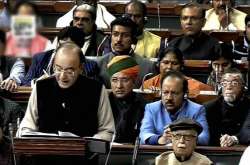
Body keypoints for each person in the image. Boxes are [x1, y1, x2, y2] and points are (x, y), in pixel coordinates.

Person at [17, 42, 115, 142]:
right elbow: (27, 128)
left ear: (81, 68)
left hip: (84, 155)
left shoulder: (96, 89)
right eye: (58, 69)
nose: (63, 76)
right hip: (45, 153)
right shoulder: (41, 87)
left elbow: (107, 131)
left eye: (69, 71)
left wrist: (87, 144)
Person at [139, 70, 209, 145]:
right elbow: (144, 135)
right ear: (160, 92)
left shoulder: (197, 110)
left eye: (174, 93)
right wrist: (160, 139)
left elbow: (204, 138)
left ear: (185, 94)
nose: (169, 98)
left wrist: (182, 135)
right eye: (165, 92)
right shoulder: (151, 108)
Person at [21, 26, 98, 86]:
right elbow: (25, 83)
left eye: (67, 47)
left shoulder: (90, 65)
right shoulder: (40, 58)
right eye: (60, 45)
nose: (61, 49)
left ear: (80, 47)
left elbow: (95, 88)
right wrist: (39, 82)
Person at [97, 16, 156, 88]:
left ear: (133, 39)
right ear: (110, 36)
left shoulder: (147, 66)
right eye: (115, 34)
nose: (119, 39)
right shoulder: (99, 64)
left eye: (125, 35)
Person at [205, 68, 250, 146]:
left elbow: (247, 131)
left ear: (243, 87)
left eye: (234, 83)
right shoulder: (209, 107)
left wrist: (234, 139)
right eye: (225, 83)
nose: (229, 87)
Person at [143, 47, 213, 96]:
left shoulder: (194, 85)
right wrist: (151, 95)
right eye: (165, 62)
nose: (169, 67)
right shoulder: (148, 84)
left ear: (181, 66)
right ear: (158, 64)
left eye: (174, 63)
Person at [107, 55, 146, 143]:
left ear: (134, 81)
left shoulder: (144, 105)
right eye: (114, 80)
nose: (119, 86)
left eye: (124, 80)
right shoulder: (103, 104)